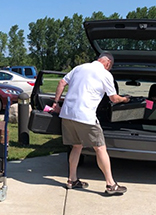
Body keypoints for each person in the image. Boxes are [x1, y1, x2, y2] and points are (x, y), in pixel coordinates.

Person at [52, 52, 130, 194]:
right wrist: (125, 99)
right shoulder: (105, 74)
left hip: (67, 114)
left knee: (76, 146)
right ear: (108, 63)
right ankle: (111, 185)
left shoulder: (79, 68)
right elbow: (113, 98)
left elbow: (61, 82)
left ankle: (72, 180)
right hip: (85, 116)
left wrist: (56, 103)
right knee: (100, 148)